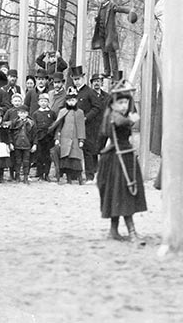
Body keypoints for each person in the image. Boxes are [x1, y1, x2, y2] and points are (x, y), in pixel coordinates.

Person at [97, 79, 146, 242]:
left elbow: (131, 117)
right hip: (116, 159)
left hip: (125, 156)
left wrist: (132, 115)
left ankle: (113, 231)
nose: (124, 106)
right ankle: (131, 231)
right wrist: (132, 118)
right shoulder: (112, 116)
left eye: (126, 102)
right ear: (113, 104)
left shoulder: (120, 114)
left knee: (118, 195)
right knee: (122, 194)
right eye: (121, 103)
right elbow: (121, 121)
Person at [90, 0, 137, 78]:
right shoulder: (101, 6)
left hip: (109, 34)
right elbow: (101, 17)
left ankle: (115, 73)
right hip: (101, 33)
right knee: (104, 53)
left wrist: (130, 10)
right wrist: (97, 19)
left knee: (112, 53)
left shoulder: (111, 6)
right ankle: (107, 71)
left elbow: (120, 9)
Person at [71, 66, 102, 182]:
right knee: (74, 148)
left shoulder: (90, 92)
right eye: (75, 79)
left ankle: (90, 176)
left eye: (78, 79)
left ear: (83, 78)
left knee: (87, 150)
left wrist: (86, 117)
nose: (76, 81)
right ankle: (74, 175)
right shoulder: (72, 92)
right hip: (74, 125)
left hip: (87, 126)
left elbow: (97, 107)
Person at [52, 87, 86, 184]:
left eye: (73, 100)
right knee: (66, 159)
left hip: (75, 139)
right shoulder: (62, 111)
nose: (71, 102)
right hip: (64, 139)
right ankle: (68, 178)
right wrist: (57, 138)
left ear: (76, 101)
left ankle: (79, 178)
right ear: (66, 101)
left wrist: (81, 140)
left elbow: (81, 127)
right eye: (69, 100)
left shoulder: (80, 112)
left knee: (76, 159)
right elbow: (58, 126)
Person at [32, 93, 57, 181]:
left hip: (49, 138)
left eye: (45, 101)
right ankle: (40, 174)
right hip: (39, 137)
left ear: (48, 102)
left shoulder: (52, 113)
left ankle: (46, 174)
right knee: (39, 156)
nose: (43, 103)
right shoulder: (35, 113)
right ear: (38, 103)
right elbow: (34, 127)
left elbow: (55, 124)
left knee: (47, 157)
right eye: (41, 101)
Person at [10, 105, 36, 184]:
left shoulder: (31, 123)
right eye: (21, 113)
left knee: (26, 161)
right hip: (17, 144)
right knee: (17, 161)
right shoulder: (14, 122)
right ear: (18, 113)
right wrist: (11, 143)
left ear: (27, 113)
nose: (22, 115)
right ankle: (17, 176)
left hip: (27, 145)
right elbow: (10, 133)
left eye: (24, 113)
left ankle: (25, 176)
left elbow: (35, 134)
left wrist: (35, 144)